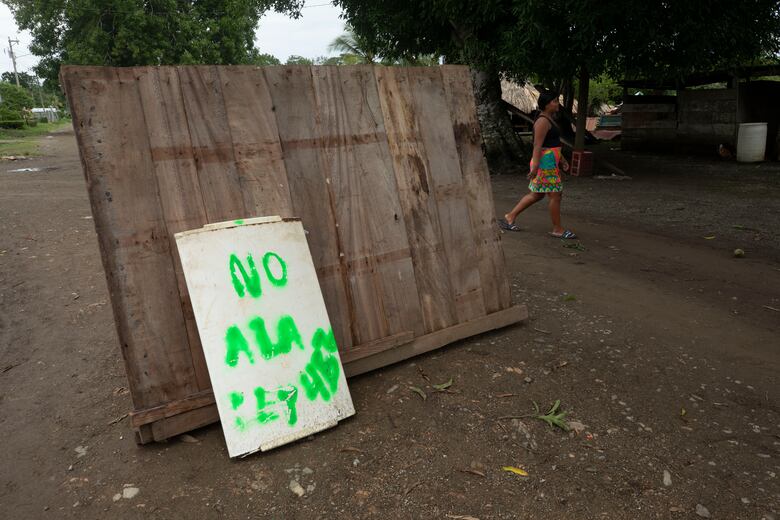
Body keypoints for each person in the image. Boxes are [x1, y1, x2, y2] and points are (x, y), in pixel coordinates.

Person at [499, 92, 577, 239]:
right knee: (555, 194)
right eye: (554, 101)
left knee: (537, 194)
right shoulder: (542, 121)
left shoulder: (549, 119)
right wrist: (535, 166)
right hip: (544, 163)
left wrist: (562, 159)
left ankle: (510, 217)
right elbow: (537, 146)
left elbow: (553, 143)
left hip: (549, 161)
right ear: (546, 104)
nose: (557, 104)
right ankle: (558, 229)